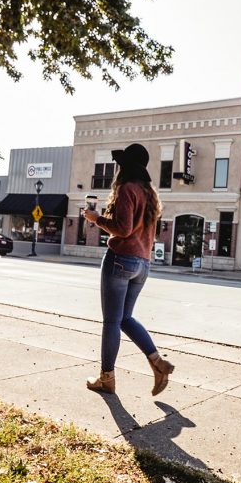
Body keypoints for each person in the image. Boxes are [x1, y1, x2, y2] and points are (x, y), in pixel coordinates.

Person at [82, 143, 175, 395]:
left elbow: (122, 229)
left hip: (121, 259)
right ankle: (157, 363)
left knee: (112, 321)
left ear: (125, 167)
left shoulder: (126, 189)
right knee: (125, 318)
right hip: (142, 264)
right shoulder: (149, 193)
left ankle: (106, 378)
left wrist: (96, 219)